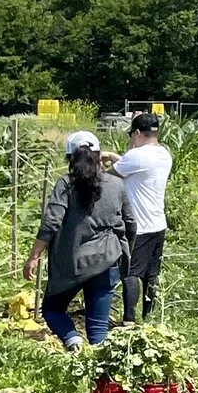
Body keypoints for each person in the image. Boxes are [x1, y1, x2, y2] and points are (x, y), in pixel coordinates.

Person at [24, 129, 129, 349]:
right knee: (98, 328)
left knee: (52, 309)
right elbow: (130, 222)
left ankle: (73, 341)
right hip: (107, 260)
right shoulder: (117, 185)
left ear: (70, 158)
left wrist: (34, 256)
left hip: (71, 263)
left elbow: (52, 221)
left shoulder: (66, 185)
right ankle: (98, 374)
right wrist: (125, 253)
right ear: (99, 155)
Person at [115, 111, 174, 321]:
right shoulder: (164, 154)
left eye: (132, 134)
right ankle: (149, 318)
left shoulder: (136, 155)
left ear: (138, 133)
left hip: (138, 226)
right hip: (158, 224)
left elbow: (112, 175)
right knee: (152, 274)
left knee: (130, 274)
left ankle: (129, 320)